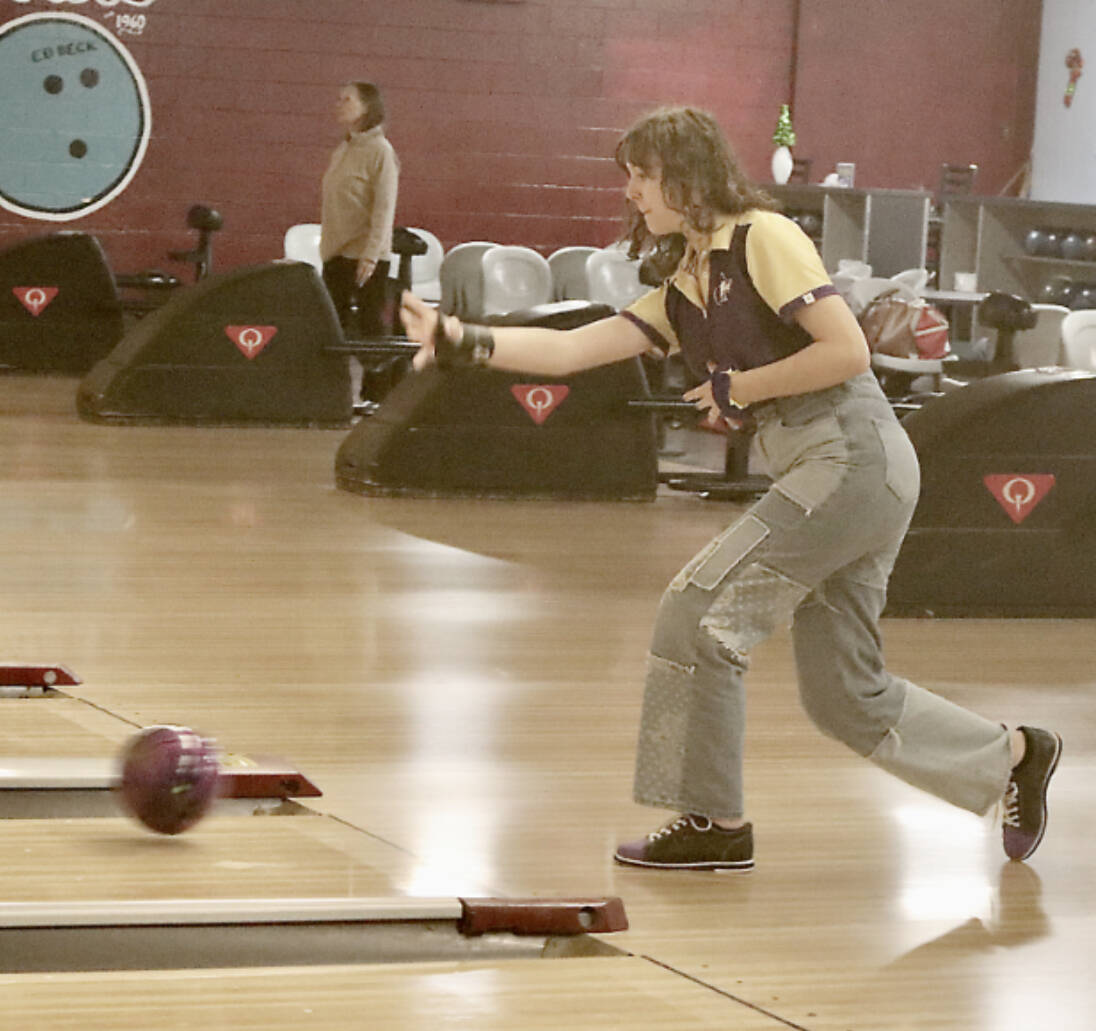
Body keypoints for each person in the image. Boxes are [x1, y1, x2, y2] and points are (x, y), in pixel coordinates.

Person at [398, 105, 1061, 872]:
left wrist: (740, 386)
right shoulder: (688, 274)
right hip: (841, 471)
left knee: (699, 612)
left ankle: (714, 821)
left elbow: (846, 351)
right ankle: (1013, 754)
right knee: (844, 695)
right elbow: (572, 348)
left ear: (684, 172)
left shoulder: (761, 237)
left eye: (642, 176)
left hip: (848, 457)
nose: (633, 193)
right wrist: (460, 339)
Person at [320, 81, 400, 339]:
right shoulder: (343, 148)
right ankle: (335, 381)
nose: (339, 105)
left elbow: (384, 209)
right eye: (338, 99)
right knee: (331, 330)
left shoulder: (381, 151)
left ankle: (377, 380)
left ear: (367, 107)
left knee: (370, 331)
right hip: (336, 253)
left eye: (347, 100)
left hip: (366, 257)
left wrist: (371, 256)